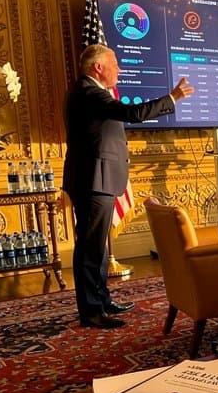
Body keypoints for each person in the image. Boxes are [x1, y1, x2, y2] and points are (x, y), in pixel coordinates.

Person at [63, 44, 195, 330]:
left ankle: (101, 299)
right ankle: (91, 311)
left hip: (98, 178)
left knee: (97, 245)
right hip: (93, 180)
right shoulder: (88, 92)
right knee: (90, 247)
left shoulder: (89, 91)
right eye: (115, 64)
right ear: (97, 67)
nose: (119, 70)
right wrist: (172, 97)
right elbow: (131, 113)